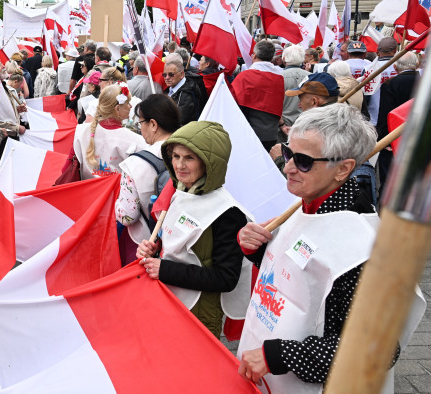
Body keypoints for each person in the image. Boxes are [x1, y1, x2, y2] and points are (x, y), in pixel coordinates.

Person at [235, 104, 406, 392]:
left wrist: (282, 355)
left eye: (302, 161)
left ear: (343, 169)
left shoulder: (360, 245)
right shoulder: (310, 202)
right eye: (288, 153)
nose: (288, 167)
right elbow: (305, 277)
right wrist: (258, 250)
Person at [136, 120, 250, 337]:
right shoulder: (181, 192)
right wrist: (153, 250)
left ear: (209, 163)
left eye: (190, 158)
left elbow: (226, 278)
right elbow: (176, 246)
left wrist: (165, 269)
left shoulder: (228, 213)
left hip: (200, 311)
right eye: (176, 156)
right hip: (169, 299)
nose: (179, 165)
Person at [116, 95, 180, 263]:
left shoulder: (134, 163)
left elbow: (127, 216)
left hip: (146, 246)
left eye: (140, 123)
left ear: (153, 124)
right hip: (182, 242)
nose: (140, 129)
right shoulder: (192, 154)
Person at [73, 84, 147, 179]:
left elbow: (71, 166)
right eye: (128, 102)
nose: (130, 106)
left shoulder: (81, 131)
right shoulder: (136, 141)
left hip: (88, 191)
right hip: (116, 193)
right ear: (117, 109)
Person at [376, 51, 420, 195]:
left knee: (389, 182)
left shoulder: (390, 84)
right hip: (419, 138)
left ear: (395, 68)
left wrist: (384, 140)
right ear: (417, 65)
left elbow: (385, 113)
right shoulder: (425, 84)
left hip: (393, 140)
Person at [232, 40, 285, 152]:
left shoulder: (244, 77)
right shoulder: (279, 78)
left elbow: (232, 104)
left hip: (249, 134)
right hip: (271, 134)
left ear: (254, 55)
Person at [163, 54, 207, 127]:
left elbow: (177, 121)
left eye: (171, 74)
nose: (167, 78)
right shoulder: (171, 88)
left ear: (181, 74)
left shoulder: (186, 94)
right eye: (164, 75)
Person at [281, 45, 310, 140]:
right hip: (305, 125)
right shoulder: (311, 77)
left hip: (283, 125)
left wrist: (281, 125)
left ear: (284, 58)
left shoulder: (277, 77)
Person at [367, 37, 398, 127]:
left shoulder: (369, 68)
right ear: (395, 50)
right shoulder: (401, 67)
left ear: (378, 50)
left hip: (373, 116)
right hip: (395, 116)